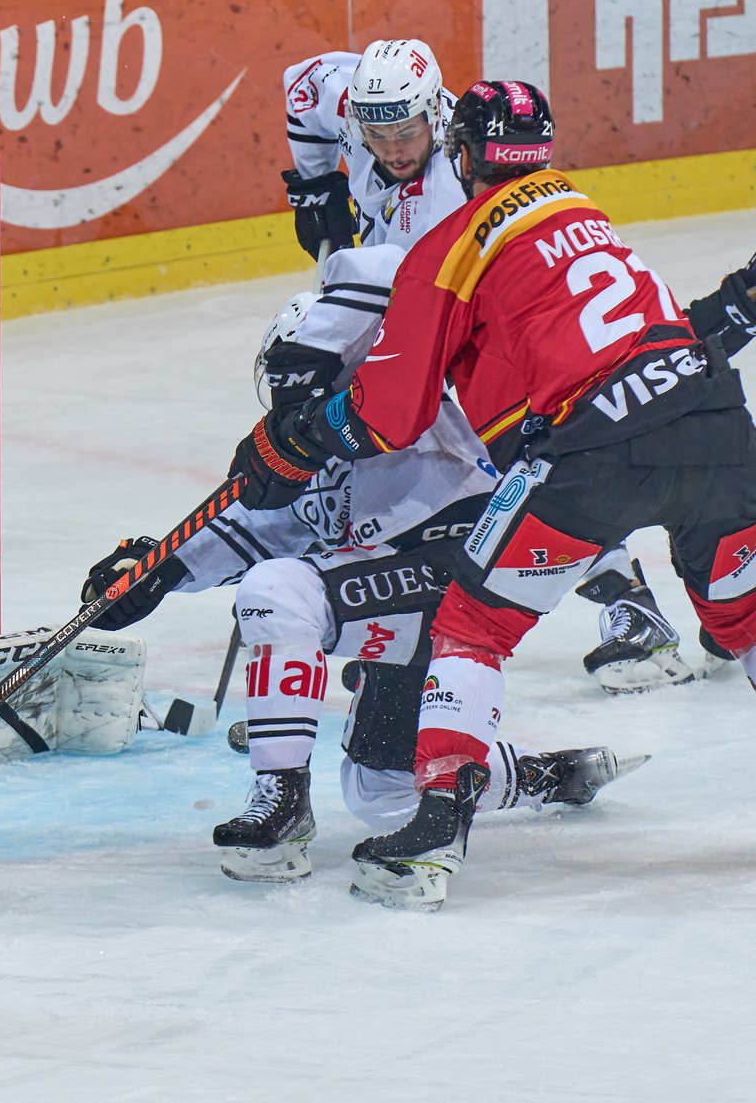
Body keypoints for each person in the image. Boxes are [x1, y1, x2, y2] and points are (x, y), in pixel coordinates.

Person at [232, 79, 756, 908]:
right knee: (746, 617)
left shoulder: (451, 245)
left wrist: (293, 438)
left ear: (463, 152)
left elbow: (389, 414)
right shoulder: (581, 210)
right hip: (719, 423)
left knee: (471, 625)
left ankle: (436, 830)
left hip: (590, 454)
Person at [83, 290, 638, 883]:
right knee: (381, 793)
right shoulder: (309, 441)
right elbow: (259, 526)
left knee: (277, 592)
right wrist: (159, 569)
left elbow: (389, 314)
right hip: (401, 603)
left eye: (295, 365)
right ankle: (545, 775)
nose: (283, 384)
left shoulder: (407, 402)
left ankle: (282, 800)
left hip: (459, 586)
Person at [282, 39, 688, 691]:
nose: (392, 148)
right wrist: (313, 185)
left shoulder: (451, 195)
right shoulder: (353, 95)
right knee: (405, 460)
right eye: (376, 134)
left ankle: (630, 599)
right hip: (414, 307)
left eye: (406, 132)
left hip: (474, 324)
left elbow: (431, 309)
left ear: (435, 117)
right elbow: (302, 82)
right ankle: (400, 625)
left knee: (518, 461)